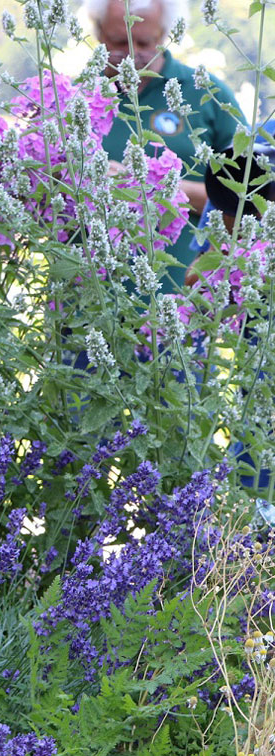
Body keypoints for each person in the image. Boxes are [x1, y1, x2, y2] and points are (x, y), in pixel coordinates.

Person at [86, 0, 243, 288]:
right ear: (97, 34)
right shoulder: (73, 99)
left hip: (179, 299)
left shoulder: (206, 94)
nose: (131, 55)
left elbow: (249, 200)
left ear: (164, 35)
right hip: (85, 301)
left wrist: (141, 184)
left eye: (143, 42)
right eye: (119, 41)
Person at [185, 128, 275, 488]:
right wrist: (242, 251)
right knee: (255, 474)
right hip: (259, 377)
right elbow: (195, 277)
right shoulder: (249, 149)